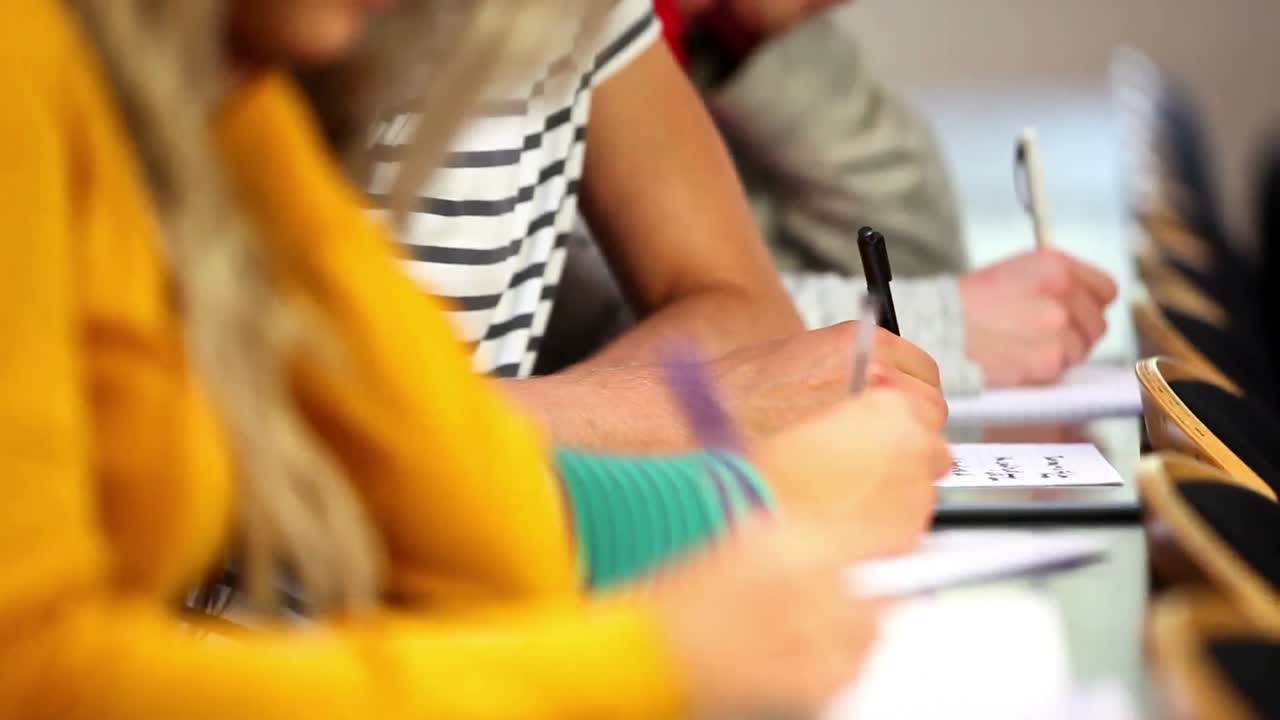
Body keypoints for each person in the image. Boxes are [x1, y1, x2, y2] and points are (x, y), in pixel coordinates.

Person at [0, 0, 952, 718]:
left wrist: (743, 505)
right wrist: (650, 655)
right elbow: (32, 670)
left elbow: (456, 491)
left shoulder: (230, 91)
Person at [340, 0, 946, 451]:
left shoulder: (593, 14)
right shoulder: (299, 29)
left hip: (478, 574)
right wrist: (685, 409)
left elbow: (744, 310)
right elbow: (312, 441)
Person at [543, 0, 1120, 395]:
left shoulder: (684, 38)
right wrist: (942, 325)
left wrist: (755, 41)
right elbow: (607, 326)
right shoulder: (566, 34)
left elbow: (912, 255)